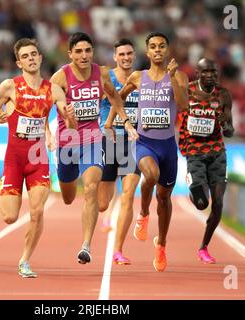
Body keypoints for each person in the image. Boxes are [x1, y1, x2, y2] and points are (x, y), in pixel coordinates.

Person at [0, 38, 76, 278]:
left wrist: (70, 118)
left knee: (36, 212)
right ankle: (20, 241)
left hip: (39, 157)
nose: (31, 58)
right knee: (9, 217)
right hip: (14, 157)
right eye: (26, 56)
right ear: (18, 62)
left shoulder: (53, 90)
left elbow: (70, 125)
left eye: (34, 54)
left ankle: (25, 260)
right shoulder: (10, 86)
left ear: (41, 57)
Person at [50, 32, 138, 264]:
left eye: (87, 50)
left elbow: (115, 97)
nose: (84, 55)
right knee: (68, 197)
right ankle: (67, 183)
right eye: (78, 51)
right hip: (68, 143)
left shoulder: (101, 74)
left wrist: (125, 120)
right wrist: (63, 112)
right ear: (70, 54)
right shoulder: (60, 77)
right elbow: (55, 99)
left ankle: (86, 246)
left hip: (93, 139)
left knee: (90, 189)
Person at [119, 32, 188, 272]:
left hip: (168, 144)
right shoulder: (138, 77)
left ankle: (161, 244)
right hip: (144, 142)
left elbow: (183, 105)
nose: (157, 50)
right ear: (147, 53)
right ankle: (143, 213)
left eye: (161, 46)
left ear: (167, 50)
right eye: (152, 47)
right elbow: (118, 100)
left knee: (165, 198)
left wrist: (172, 78)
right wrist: (124, 122)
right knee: (150, 175)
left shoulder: (179, 76)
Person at [178, 58, 234, 264]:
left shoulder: (224, 95)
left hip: (217, 152)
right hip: (194, 152)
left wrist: (226, 126)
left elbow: (230, 129)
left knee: (218, 203)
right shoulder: (188, 91)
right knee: (201, 204)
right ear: (197, 73)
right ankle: (193, 184)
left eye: (213, 71)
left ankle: (204, 247)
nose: (210, 75)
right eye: (205, 71)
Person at [98, 38, 140, 265]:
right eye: (121, 54)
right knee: (102, 203)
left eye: (129, 53)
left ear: (133, 56)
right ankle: (104, 214)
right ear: (115, 57)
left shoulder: (141, 79)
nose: (126, 57)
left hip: (133, 144)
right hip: (108, 140)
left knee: (128, 195)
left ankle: (118, 250)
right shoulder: (106, 78)